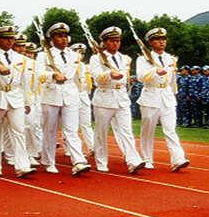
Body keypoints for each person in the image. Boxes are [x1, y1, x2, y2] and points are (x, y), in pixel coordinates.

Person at [0, 26, 36, 178]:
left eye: (12, 38)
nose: (10, 41)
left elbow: (24, 82)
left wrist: (27, 101)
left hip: (15, 97)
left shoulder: (20, 58)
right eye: (6, 38)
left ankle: (22, 165)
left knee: (19, 131)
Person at [36, 22, 92, 176]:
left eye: (66, 36)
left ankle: (78, 161)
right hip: (51, 94)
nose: (64, 39)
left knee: (72, 130)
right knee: (50, 130)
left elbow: (76, 76)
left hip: (70, 93)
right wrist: (52, 75)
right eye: (60, 36)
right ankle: (48, 161)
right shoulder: (43, 55)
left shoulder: (74, 55)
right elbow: (38, 74)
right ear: (52, 38)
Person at [89, 26, 146, 174]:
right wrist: (109, 74)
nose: (116, 44)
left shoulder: (124, 58)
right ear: (105, 42)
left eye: (118, 41)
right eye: (112, 41)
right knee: (101, 132)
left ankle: (133, 160)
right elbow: (96, 77)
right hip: (104, 97)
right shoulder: (97, 58)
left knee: (126, 131)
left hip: (121, 98)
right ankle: (101, 161)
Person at [136, 27, 190, 171]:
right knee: (148, 131)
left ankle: (178, 158)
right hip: (151, 95)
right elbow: (140, 77)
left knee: (170, 129)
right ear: (151, 42)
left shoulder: (171, 59)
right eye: (158, 39)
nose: (161, 42)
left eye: (163, 39)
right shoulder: (143, 59)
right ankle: (147, 159)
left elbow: (172, 80)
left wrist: (173, 94)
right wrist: (154, 71)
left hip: (167, 97)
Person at [71, 42, 95, 157]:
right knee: (72, 125)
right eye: (77, 52)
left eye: (82, 53)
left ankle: (92, 147)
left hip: (84, 95)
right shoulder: (69, 66)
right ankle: (71, 149)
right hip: (72, 95)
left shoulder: (87, 67)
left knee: (86, 123)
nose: (80, 55)